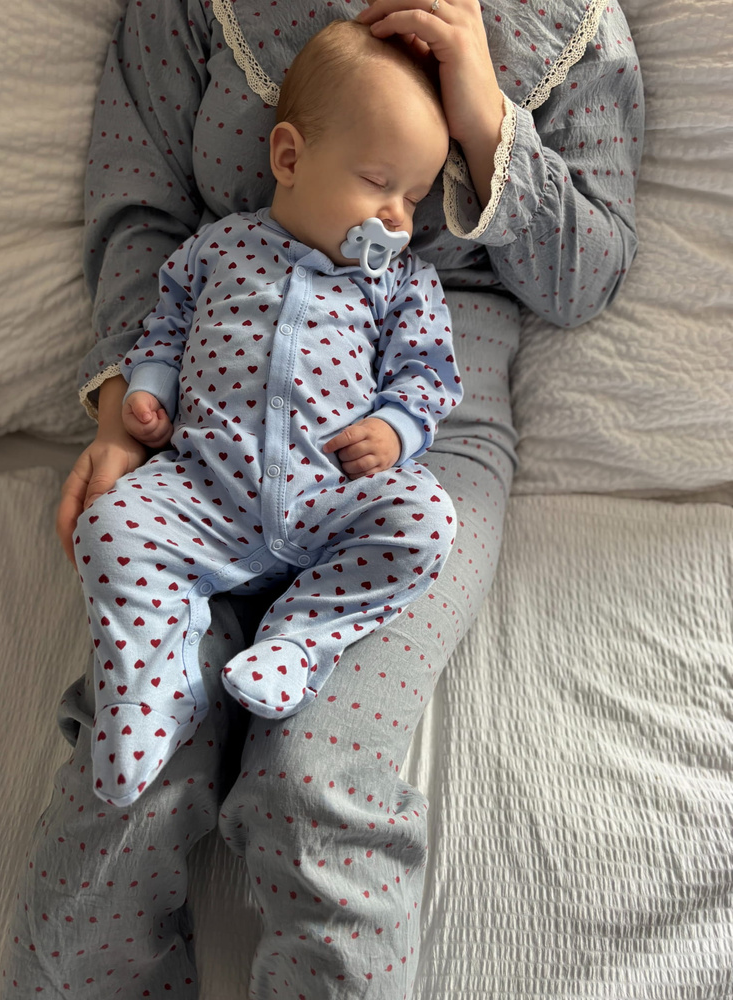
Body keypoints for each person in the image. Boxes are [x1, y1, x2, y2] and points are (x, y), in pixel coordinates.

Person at [1, 1, 644, 997]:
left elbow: (586, 277)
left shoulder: (575, 28)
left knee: (316, 780)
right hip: (211, 410)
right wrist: (128, 408)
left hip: (416, 439)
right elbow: (140, 210)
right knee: (133, 761)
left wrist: (485, 118)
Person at [73, 20, 462, 808]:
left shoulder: (400, 285)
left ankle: (298, 643)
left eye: (414, 197)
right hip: (205, 488)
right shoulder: (216, 249)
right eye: (377, 182)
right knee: (107, 523)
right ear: (288, 158)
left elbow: (429, 375)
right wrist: (149, 389)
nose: (397, 217)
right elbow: (165, 325)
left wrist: (395, 430)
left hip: (329, 496)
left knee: (426, 518)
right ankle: (152, 688)